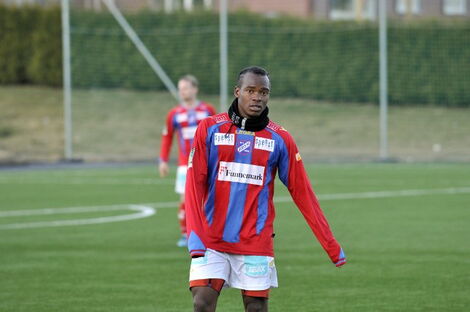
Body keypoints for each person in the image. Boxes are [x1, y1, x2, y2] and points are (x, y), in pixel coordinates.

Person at [185, 66, 346, 312]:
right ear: (237, 91)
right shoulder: (209, 129)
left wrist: (331, 245)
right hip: (211, 239)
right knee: (202, 304)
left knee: (257, 309)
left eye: (263, 92)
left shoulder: (280, 139)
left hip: (255, 242)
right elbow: (193, 185)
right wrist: (195, 236)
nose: (257, 97)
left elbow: (303, 194)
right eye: (250, 90)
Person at [159, 75, 216, 247]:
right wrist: (163, 160)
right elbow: (167, 137)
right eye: (180, 88)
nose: (182, 91)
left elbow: (217, 134)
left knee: (207, 199)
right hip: (185, 164)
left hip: (207, 162)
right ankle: (186, 234)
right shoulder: (174, 114)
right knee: (185, 199)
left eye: (185, 88)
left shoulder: (207, 110)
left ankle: (207, 232)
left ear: (195, 89)